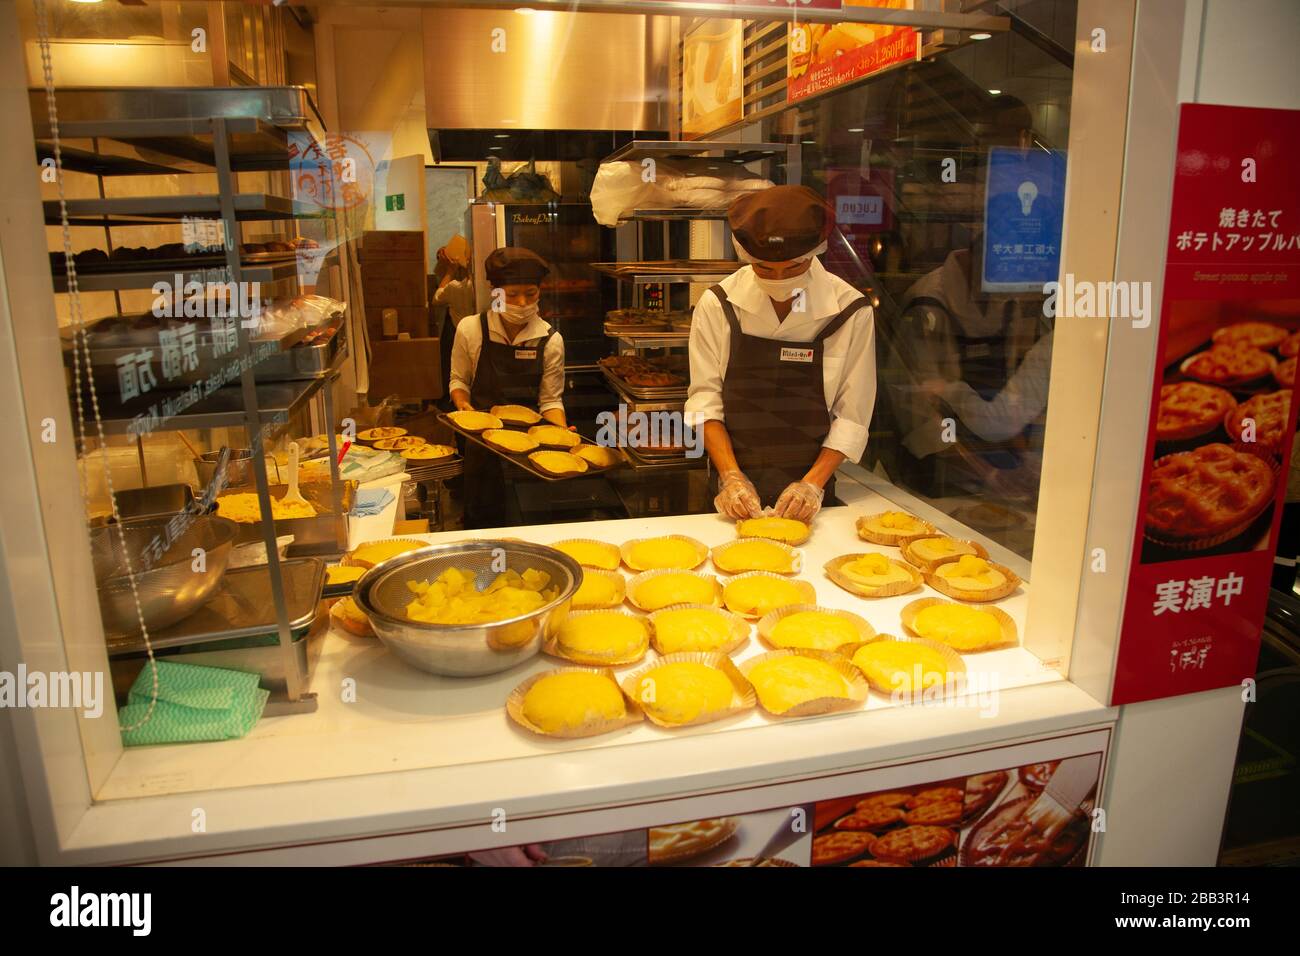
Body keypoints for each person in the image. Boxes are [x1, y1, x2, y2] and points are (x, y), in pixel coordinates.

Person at [687, 185, 877, 523]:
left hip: (813, 496)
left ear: (815, 253)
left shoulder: (849, 310)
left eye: (792, 268)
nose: (778, 279)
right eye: (763, 268)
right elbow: (705, 399)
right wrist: (731, 477)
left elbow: (853, 416)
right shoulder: (718, 304)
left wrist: (810, 487)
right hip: (729, 495)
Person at [448, 246, 566, 529]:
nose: (522, 302)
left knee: (530, 524)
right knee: (484, 524)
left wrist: (560, 436)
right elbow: (458, 381)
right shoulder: (471, 329)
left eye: (531, 293)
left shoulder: (550, 340)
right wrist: (463, 406)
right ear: (495, 292)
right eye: (512, 295)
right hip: (482, 448)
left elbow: (550, 401)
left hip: (532, 454)